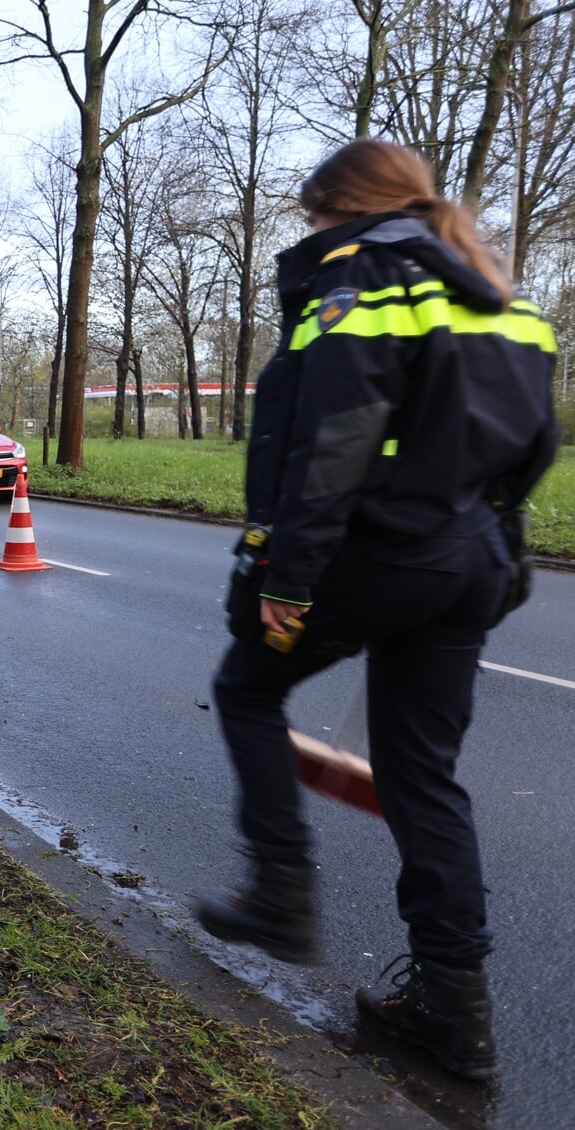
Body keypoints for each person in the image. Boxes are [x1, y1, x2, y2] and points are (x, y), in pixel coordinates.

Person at [194, 139, 558, 1082]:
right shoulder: (504, 298)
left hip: (372, 553)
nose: (310, 233)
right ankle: (457, 1014)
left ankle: (280, 892)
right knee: (422, 776)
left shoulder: (361, 282)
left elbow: (332, 447)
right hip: (468, 558)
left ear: (340, 209)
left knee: (245, 689)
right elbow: (535, 445)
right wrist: (492, 532)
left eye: (313, 217)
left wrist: (284, 580)